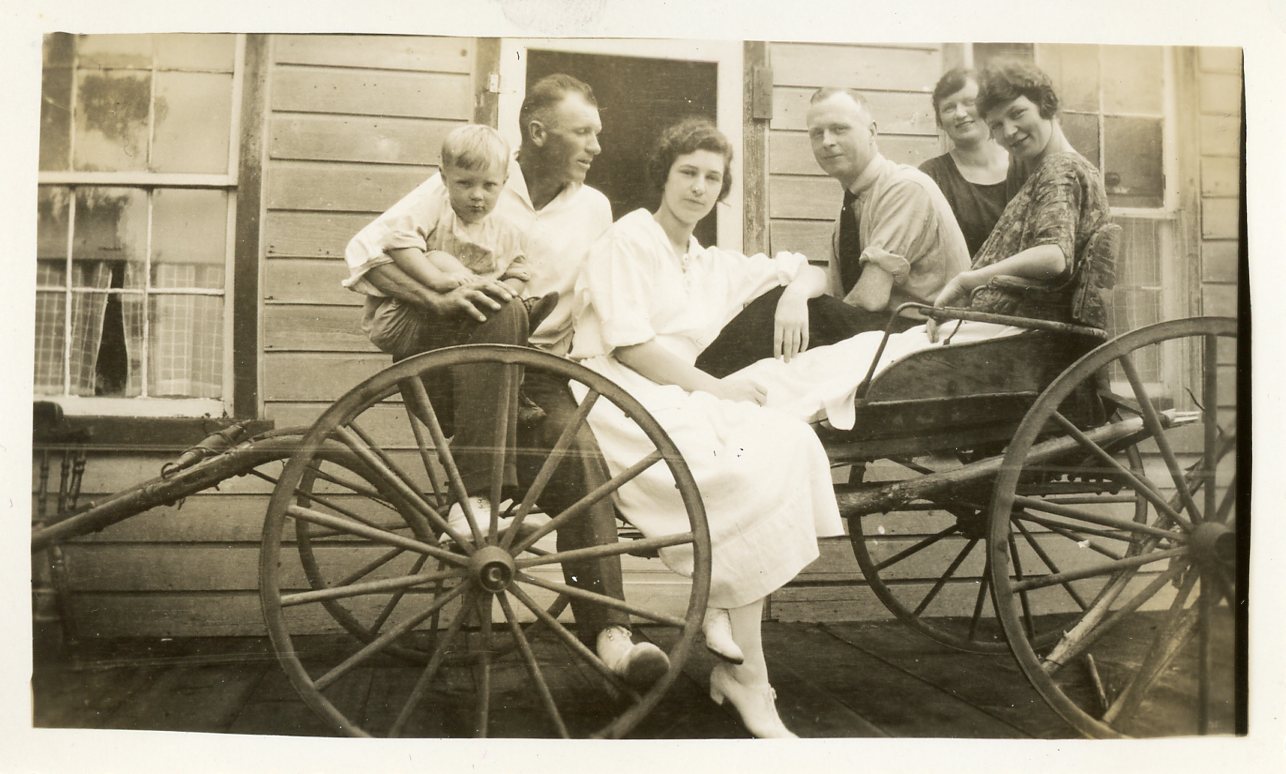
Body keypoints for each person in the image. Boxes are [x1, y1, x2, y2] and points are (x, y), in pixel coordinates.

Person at [343, 74, 669, 688]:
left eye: (597, 133)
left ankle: (613, 635)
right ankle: (477, 496)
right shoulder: (476, 175)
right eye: (583, 132)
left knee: (579, 456)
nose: (597, 146)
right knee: (497, 313)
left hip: (535, 369)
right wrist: (437, 300)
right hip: (453, 361)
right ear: (538, 133)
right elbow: (366, 252)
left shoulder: (595, 209)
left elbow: (605, 300)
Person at [571, 118, 845, 738]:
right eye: (687, 173)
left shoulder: (707, 262)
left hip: (674, 393)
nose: (699, 187)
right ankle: (748, 674)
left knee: (788, 439)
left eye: (712, 178)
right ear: (663, 177)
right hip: (617, 396)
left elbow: (807, 270)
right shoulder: (629, 239)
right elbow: (632, 346)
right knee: (739, 470)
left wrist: (795, 295)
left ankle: (726, 603)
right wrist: (717, 390)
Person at [723, 59, 1114, 431]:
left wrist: (969, 279)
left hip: (980, 338)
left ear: (1047, 104)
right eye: (997, 124)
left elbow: (1055, 256)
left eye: (1018, 114)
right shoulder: (1047, 171)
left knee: (796, 353)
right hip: (978, 331)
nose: (1009, 132)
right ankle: (718, 392)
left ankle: (707, 391)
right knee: (795, 349)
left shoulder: (1060, 169)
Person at [344, 123, 555, 535]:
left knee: (506, 303)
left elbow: (519, 267)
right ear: (443, 178)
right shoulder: (431, 206)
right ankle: (473, 494)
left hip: (459, 327)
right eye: (464, 184)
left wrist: (507, 291)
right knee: (443, 260)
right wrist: (441, 282)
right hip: (407, 322)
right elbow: (391, 245)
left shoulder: (503, 225)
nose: (477, 195)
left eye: (489, 186)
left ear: (504, 183)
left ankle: (518, 326)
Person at [806, 88, 971, 325]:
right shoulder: (851, 207)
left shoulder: (905, 188)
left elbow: (869, 299)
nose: (827, 142)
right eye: (817, 133)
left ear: (872, 132)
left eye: (839, 129)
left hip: (930, 334)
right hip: (886, 331)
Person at [919, 67, 1027, 257]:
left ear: (989, 108)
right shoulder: (931, 176)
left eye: (969, 102)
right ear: (940, 122)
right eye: (949, 108)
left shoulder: (1025, 163)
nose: (960, 114)